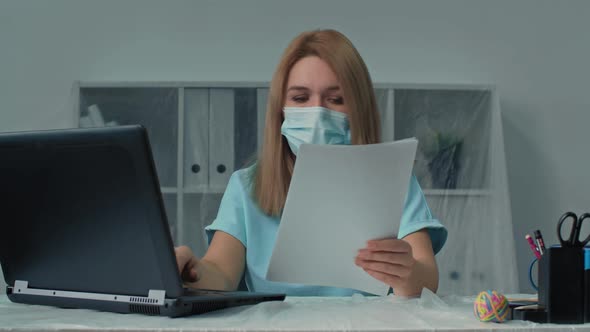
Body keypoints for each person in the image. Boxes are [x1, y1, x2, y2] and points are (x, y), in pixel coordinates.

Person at [175, 29, 447, 297]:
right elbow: (220, 272)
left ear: (359, 108)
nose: (317, 113)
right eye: (300, 98)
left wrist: (407, 272)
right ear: (280, 108)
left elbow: (427, 279)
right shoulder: (246, 187)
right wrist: (192, 271)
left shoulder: (393, 181)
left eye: (336, 99)